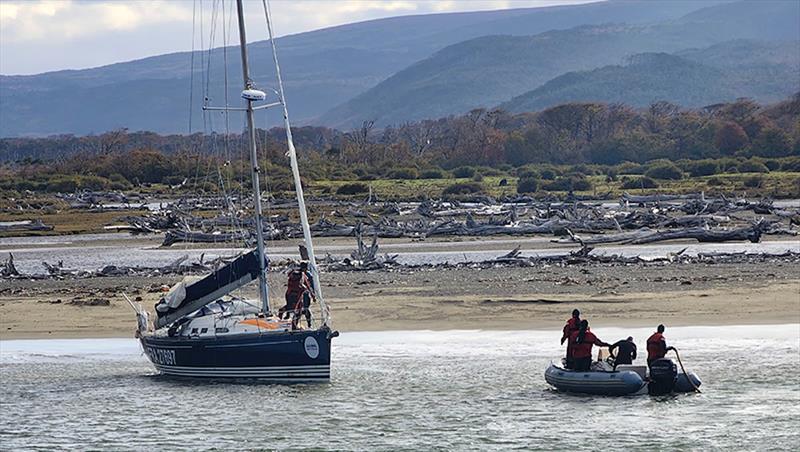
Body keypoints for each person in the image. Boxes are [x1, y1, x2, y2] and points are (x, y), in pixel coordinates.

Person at [280, 263, 314, 327]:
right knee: (299, 309)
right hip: (299, 294)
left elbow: (309, 285)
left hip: (295, 294)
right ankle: (305, 324)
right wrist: (312, 294)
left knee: (293, 307)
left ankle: (308, 323)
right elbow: (309, 285)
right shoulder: (302, 274)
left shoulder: (296, 274)